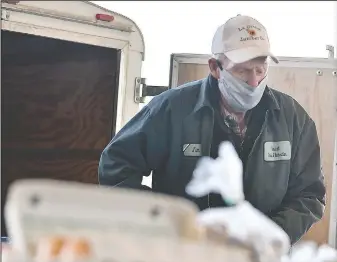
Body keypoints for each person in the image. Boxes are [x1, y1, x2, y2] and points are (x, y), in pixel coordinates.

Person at [98, 14, 326, 245]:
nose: (254, 82)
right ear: (215, 68)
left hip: (259, 257)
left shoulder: (292, 118)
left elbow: (309, 194)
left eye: (260, 69)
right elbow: (117, 168)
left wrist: (271, 235)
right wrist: (165, 221)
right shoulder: (171, 110)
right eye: (241, 71)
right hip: (183, 250)